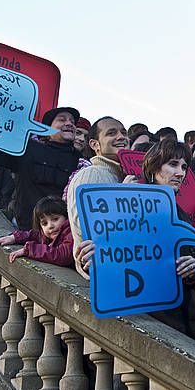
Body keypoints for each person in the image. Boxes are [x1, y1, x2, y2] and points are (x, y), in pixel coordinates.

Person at [76, 140, 195, 342]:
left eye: (184, 167)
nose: (181, 173)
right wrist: (87, 261)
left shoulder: (182, 216)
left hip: (182, 318)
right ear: (154, 168)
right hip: (139, 318)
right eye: (173, 164)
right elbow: (109, 256)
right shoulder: (124, 208)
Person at [0, 105, 82, 230]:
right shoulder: (27, 149)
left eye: (72, 122)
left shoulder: (81, 162)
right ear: (47, 129)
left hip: (63, 237)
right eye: (62, 120)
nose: (69, 124)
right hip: (25, 230)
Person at [66, 116, 130, 277]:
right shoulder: (90, 174)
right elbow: (88, 227)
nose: (121, 137)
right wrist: (125, 195)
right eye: (111, 133)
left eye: (124, 132)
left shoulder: (126, 176)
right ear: (95, 144)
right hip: (101, 271)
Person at [0, 196, 74, 266]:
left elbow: (63, 255)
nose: (50, 226)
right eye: (45, 223)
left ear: (66, 217)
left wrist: (29, 249)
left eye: (55, 219)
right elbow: (34, 235)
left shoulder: (71, 232)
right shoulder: (47, 234)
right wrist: (14, 237)